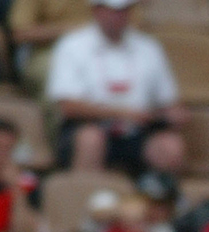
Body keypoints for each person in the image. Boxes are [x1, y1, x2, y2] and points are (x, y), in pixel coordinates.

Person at [46, 0, 187, 175]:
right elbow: (68, 106)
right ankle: (85, 195)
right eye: (113, 10)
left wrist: (174, 114)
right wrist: (124, 113)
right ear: (96, 10)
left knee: (170, 146)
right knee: (90, 139)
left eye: (124, 10)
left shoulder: (149, 47)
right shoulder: (72, 45)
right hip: (89, 128)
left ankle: (162, 198)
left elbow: (169, 100)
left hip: (138, 132)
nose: (119, 16)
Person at [8, 0, 94, 94]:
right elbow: (20, 34)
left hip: (103, 46)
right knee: (55, 77)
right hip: (48, 50)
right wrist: (74, 30)